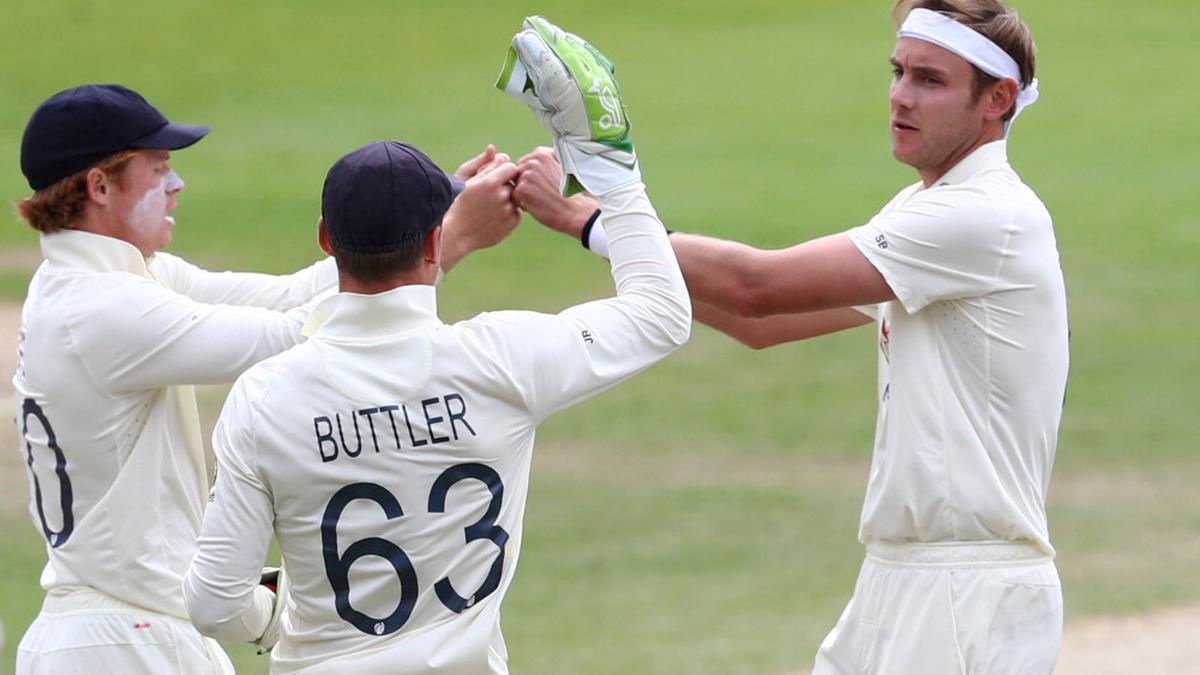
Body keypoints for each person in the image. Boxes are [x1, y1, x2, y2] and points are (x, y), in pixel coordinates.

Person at [516, 2, 1068, 673]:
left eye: (929, 80)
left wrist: (594, 211)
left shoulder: (987, 216)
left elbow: (758, 285)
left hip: (965, 590)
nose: (899, 95)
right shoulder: (926, 211)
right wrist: (609, 237)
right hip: (901, 578)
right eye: (897, 71)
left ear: (997, 99)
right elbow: (759, 324)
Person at [181, 17, 690, 674]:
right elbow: (660, 313)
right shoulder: (501, 360)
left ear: (325, 240)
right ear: (434, 243)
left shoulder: (264, 397)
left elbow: (214, 606)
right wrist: (613, 172)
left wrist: (287, 616)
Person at [11, 83, 519, 674]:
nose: (177, 185)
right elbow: (308, 336)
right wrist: (449, 240)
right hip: (125, 643)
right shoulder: (100, 309)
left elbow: (288, 296)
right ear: (99, 186)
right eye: (158, 169)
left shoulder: (112, 280)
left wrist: (425, 210)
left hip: (126, 632)